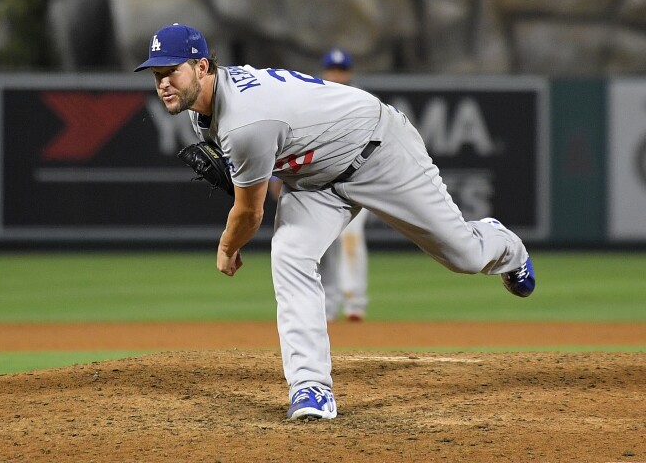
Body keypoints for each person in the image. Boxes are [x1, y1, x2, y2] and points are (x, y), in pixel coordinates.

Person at [135, 23, 535, 421]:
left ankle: (503, 244)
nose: (163, 83)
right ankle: (311, 387)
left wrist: (227, 246)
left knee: (463, 255)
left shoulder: (243, 122)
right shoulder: (204, 112)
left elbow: (250, 212)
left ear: (202, 67)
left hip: (377, 151)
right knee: (290, 254)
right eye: (157, 75)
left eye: (172, 71)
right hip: (314, 182)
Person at [268, 48, 369, 322]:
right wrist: (279, 178)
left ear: (349, 73)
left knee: (351, 240)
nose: (336, 75)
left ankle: (355, 302)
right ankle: (327, 305)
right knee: (320, 245)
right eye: (332, 70)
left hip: (357, 183)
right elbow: (296, 138)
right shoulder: (313, 98)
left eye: (341, 70)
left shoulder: (363, 102)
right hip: (321, 185)